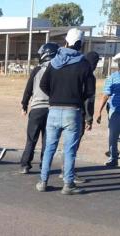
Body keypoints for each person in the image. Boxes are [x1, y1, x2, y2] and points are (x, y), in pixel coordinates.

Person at [36, 28, 94, 195]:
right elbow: (89, 93)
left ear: (66, 42)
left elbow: (43, 85)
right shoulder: (84, 64)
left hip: (53, 110)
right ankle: (68, 184)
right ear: (80, 44)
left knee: (49, 148)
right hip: (73, 112)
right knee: (69, 150)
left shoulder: (54, 62)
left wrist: (55, 96)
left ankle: (43, 181)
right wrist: (86, 113)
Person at [59, 51, 100, 183]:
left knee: (67, 143)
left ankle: (63, 170)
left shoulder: (74, 71)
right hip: (79, 114)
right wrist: (89, 118)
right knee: (73, 145)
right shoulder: (89, 76)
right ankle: (68, 173)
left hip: (65, 109)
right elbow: (89, 100)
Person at [19, 42, 59, 174]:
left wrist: (24, 104)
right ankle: (44, 166)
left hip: (36, 109)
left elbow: (28, 89)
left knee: (31, 138)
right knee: (47, 140)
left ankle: (25, 165)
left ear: (47, 54)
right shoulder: (58, 70)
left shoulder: (37, 70)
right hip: (52, 110)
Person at [96, 54, 120, 167]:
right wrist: (99, 111)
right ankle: (113, 158)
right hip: (115, 112)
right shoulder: (112, 77)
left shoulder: (112, 77)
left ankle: (113, 158)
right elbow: (106, 95)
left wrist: (99, 112)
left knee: (113, 136)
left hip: (115, 112)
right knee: (113, 136)